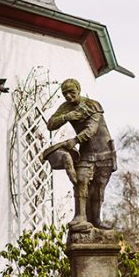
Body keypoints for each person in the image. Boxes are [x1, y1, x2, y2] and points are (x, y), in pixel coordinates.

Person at [45, 78, 116, 231]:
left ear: (78, 90)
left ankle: (96, 219)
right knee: (80, 180)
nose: (69, 96)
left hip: (105, 153)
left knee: (98, 187)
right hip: (87, 153)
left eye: (71, 92)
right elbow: (50, 124)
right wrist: (66, 117)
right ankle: (80, 217)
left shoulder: (93, 105)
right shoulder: (66, 107)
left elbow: (91, 129)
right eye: (65, 94)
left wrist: (75, 140)